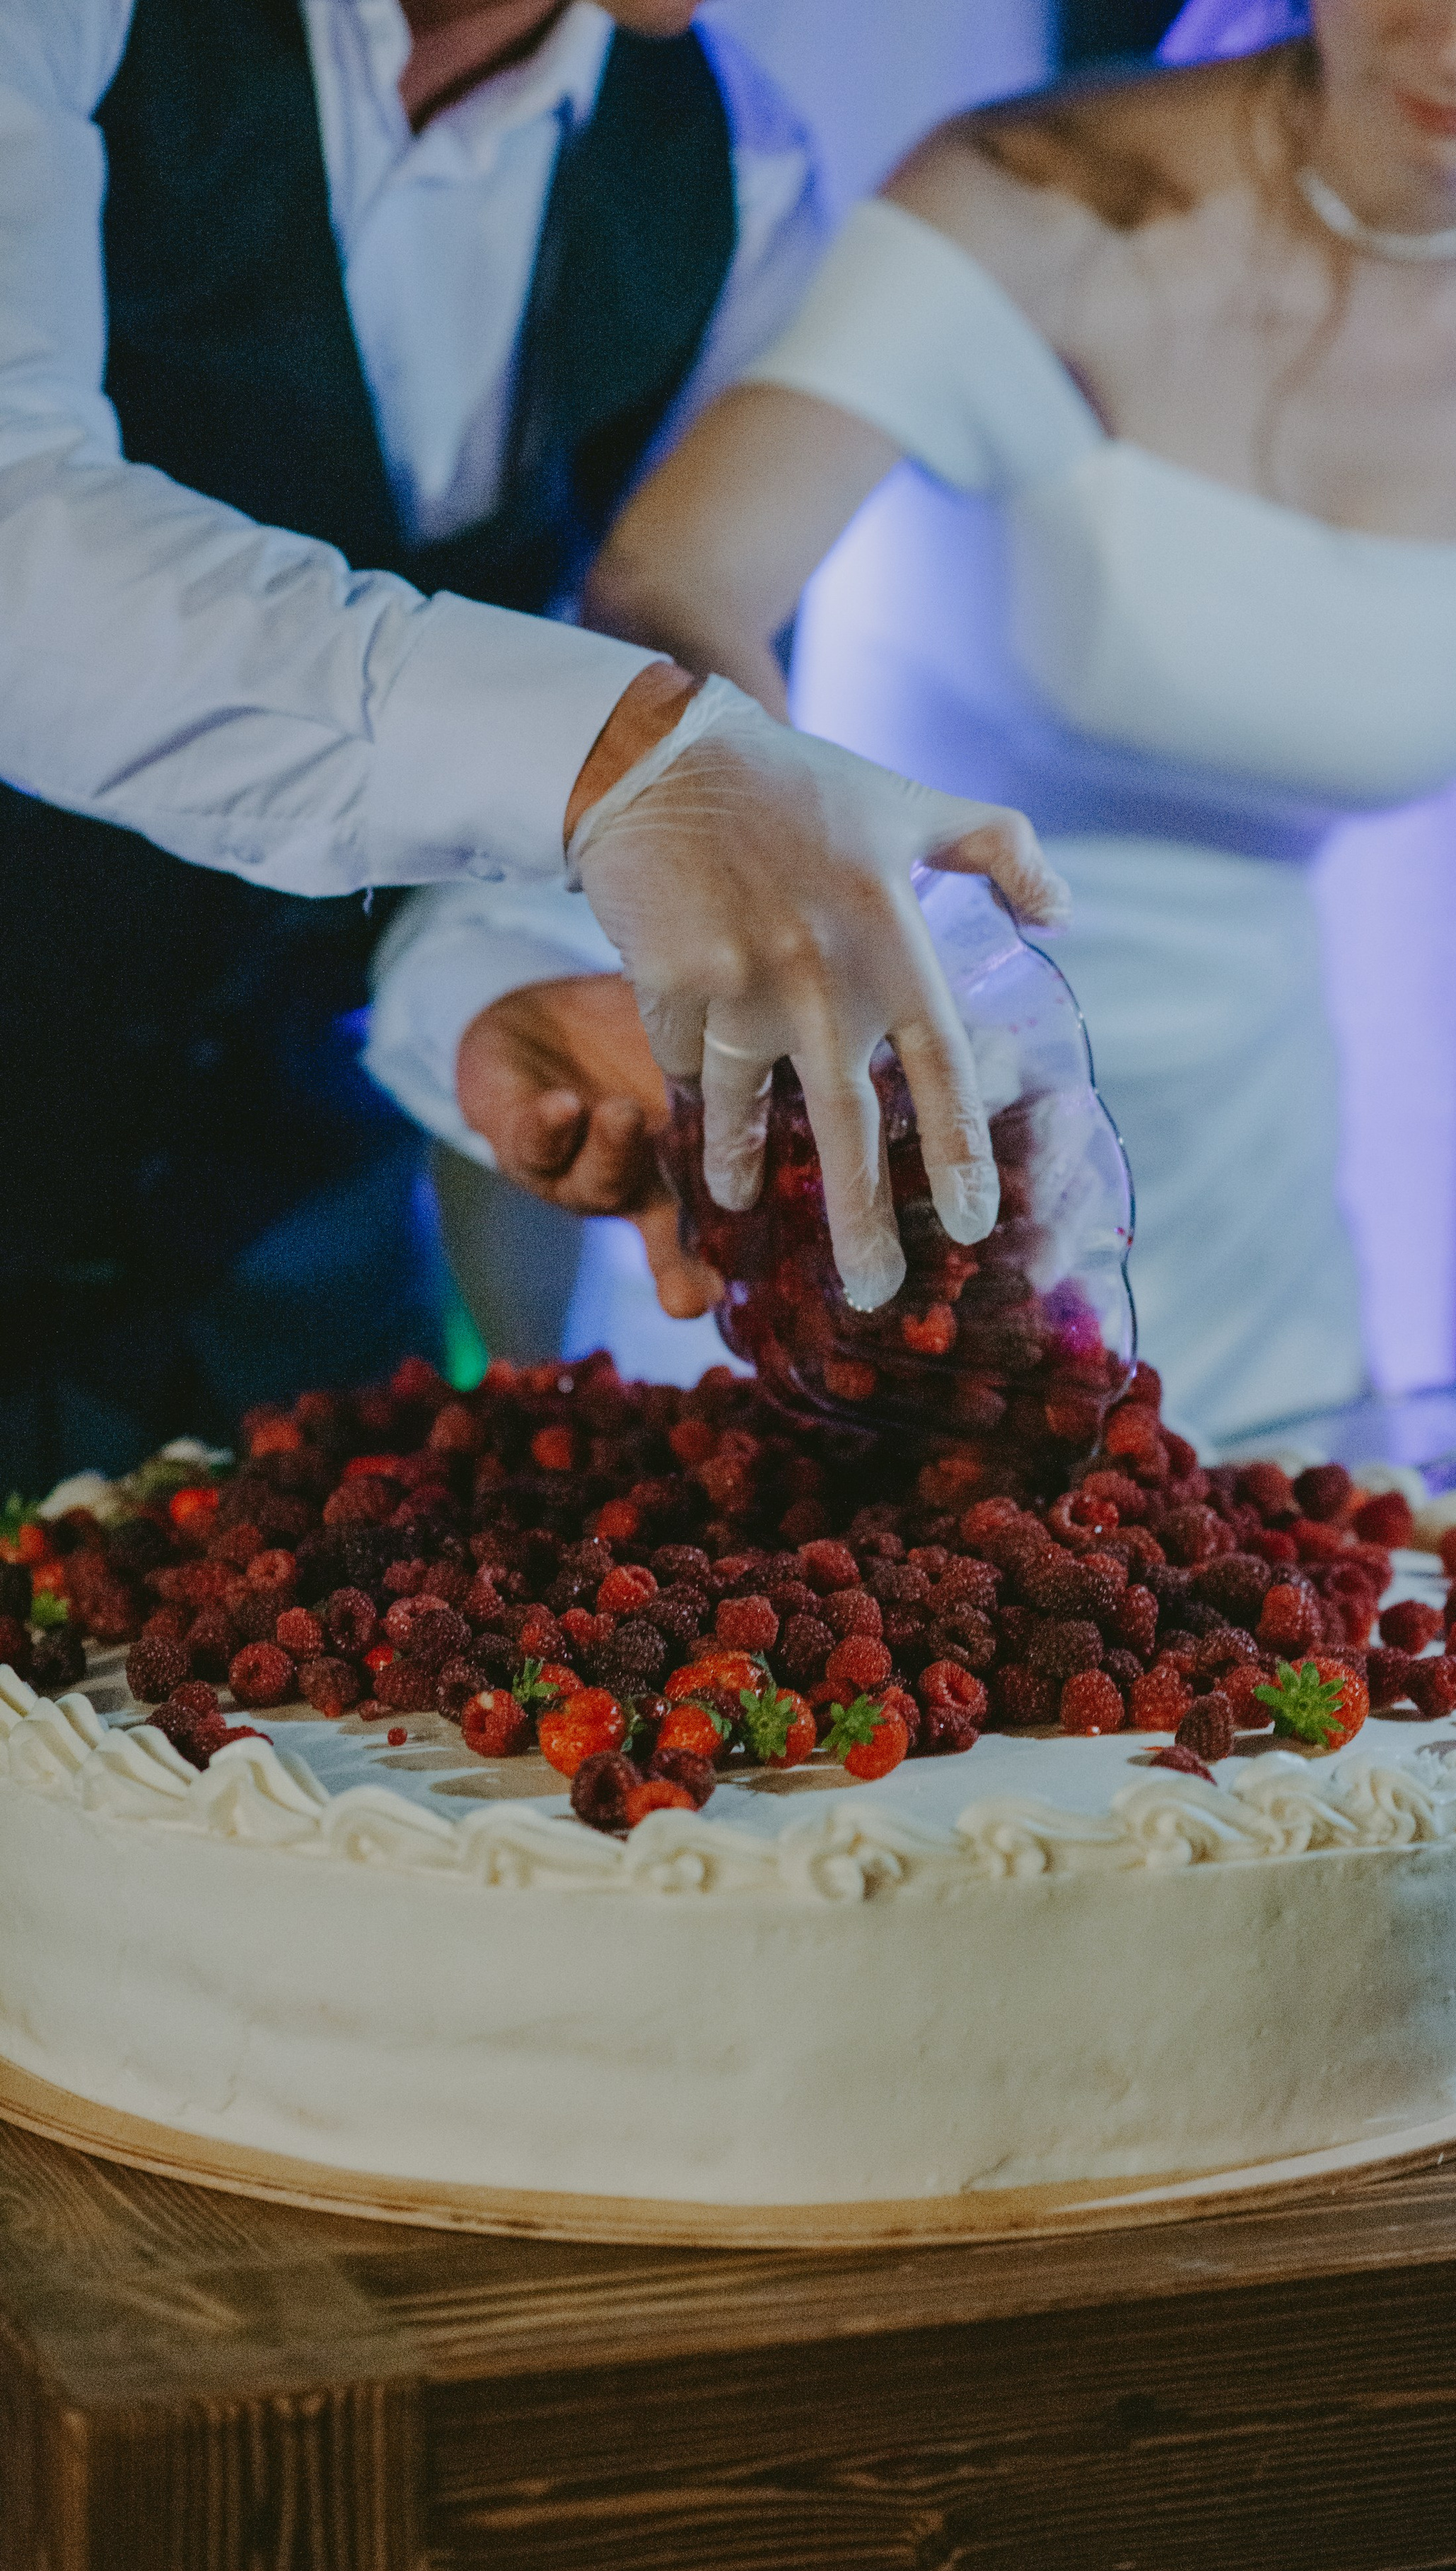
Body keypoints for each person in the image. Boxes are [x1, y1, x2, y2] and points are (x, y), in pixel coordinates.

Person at [532, 0, 1456, 1446]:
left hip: (1239, 1187)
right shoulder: (1028, 195)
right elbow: (670, 584)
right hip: (873, 1125)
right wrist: (805, 957)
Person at [0, 0, 1060, 1488]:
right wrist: (623, 749)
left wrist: (502, 980)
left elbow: (556, 711)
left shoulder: (726, 174)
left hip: (272, 1277)